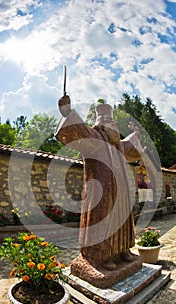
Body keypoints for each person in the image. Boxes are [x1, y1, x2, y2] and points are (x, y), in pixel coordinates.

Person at [55, 94, 144, 285]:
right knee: (105, 221)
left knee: (122, 221)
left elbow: (132, 147)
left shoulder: (118, 145)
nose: (112, 125)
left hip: (120, 193)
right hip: (101, 193)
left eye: (113, 122)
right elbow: (78, 131)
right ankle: (102, 257)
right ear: (100, 124)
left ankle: (122, 251)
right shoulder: (95, 138)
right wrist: (67, 111)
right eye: (107, 121)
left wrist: (137, 134)